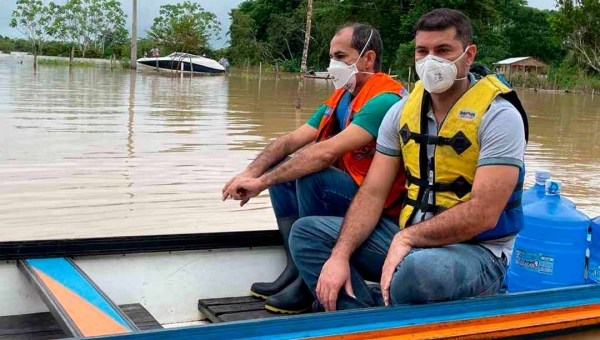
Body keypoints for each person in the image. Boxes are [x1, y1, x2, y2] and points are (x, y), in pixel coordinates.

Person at [289, 8, 529, 311]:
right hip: (407, 237)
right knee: (308, 234)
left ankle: (379, 309)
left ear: (468, 56)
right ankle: (364, 320)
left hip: (476, 251)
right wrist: (340, 255)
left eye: (443, 51)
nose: (431, 60)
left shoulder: (499, 116)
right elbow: (373, 193)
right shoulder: (402, 111)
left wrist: (407, 238)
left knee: (418, 273)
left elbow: (483, 213)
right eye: (422, 51)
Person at [223, 23, 408, 314]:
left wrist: (262, 183)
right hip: (353, 195)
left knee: (313, 174)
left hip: (379, 207)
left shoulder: (384, 99)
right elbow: (291, 140)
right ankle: (295, 269)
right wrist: (251, 173)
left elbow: (325, 153)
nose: (332, 65)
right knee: (285, 170)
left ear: (368, 59)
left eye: (340, 56)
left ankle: (309, 282)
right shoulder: (343, 97)